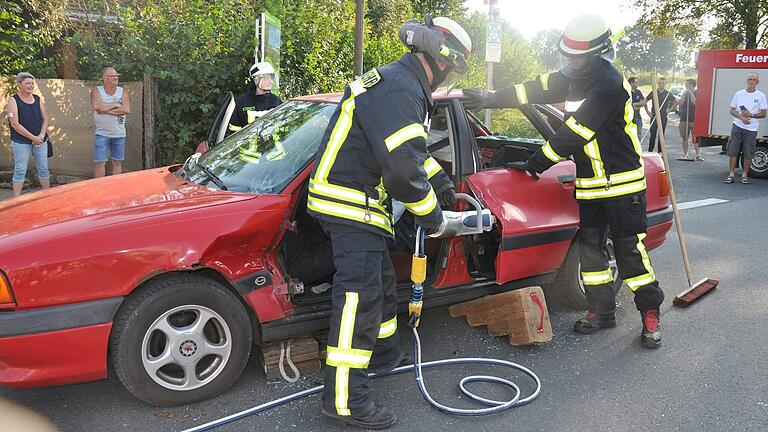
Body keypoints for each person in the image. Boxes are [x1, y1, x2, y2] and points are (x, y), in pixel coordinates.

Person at [307, 15, 471, 429]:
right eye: (450, 69)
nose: (444, 78)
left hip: (355, 203)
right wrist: (434, 217)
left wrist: (444, 186)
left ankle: (383, 356)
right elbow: (401, 171)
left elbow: (410, 153)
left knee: (378, 287)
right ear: (441, 58)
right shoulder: (402, 90)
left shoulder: (398, 81)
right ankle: (345, 400)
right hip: (349, 204)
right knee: (358, 302)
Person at [465, 13, 665, 349]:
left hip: (623, 186)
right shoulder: (575, 76)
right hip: (589, 185)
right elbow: (534, 89)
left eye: (577, 56)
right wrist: (491, 98)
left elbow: (575, 133)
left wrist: (535, 164)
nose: (570, 62)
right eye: (568, 55)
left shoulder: (609, 86)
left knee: (630, 255)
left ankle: (650, 313)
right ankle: (601, 312)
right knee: (591, 254)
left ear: (597, 53)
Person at [5, 72, 50, 197]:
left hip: (40, 140)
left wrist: (40, 136)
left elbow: (45, 119)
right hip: (21, 141)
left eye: (32, 83)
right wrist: (33, 138)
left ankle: (47, 195)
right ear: (19, 85)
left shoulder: (37, 99)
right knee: (20, 170)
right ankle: (17, 198)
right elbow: (15, 124)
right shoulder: (13, 100)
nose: (31, 86)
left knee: (43, 168)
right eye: (27, 83)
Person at [724, 73, 767, 184]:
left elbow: (763, 114)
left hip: (752, 129)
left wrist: (751, 115)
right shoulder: (739, 94)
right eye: (750, 79)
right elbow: (732, 110)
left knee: (748, 152)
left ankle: (744, 175)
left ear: (757, 82)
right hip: (737, 125)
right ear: (747, 81)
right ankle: (731, 174)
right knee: (733, 150)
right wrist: (741, 117)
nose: (752, 81)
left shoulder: (761, 96)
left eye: (754, 79)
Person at [91, 66, 130, 178]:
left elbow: (126, 109)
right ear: (105, 78)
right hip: (101, 133)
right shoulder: (97, 90)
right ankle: (99, 189)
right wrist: (115, 105)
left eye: (116, 75)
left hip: (119, 134)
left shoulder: (123, 91)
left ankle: (115, 188)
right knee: (100, 163)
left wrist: (104, 110)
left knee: (117, 162)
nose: (115, 78)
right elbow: (96, 106)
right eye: (112, 76)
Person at [227, 62, 282, 134]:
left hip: (273, 145)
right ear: (256, 79)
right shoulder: (242, 102)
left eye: (271, 78)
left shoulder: (276, 101)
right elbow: (234, 130)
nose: (270, 81)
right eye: (266, 78)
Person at [645, 76, 676, 152]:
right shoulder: (653, 92)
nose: (661, 84)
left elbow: (676, 102)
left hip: (663, 117)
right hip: (654, 116)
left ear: (665, 84)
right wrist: (647, 111)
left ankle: (660, 152)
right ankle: (650, 151)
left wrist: (670, 110)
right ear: (658, 83)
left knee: (661, 135)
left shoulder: (667, 94)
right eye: (660, 83)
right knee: (653, 134)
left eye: (663, 83)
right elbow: (645, 101)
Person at [676, 78, 699, 160]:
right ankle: (685, 154)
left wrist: (690, 93)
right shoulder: (684, 93)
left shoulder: (697, 92)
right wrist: (684, 95)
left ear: (691, 85)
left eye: (687, 84)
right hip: (684, 118)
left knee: (695, 137)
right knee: (684, 137)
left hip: (694, 119)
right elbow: (681, 104)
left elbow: (695, 103)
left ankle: (697, 154)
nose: (685, 86)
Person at [628, 77, 645, 141]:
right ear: (631, 83)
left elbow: (644, 102)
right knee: (630, 136)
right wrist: (633, 106)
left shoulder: (638, 92)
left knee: (639, 134)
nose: (637, 84)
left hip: (638, 117)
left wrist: (635, 104)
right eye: (636, 82)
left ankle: (638, 149)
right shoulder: (627, 92)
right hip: (630, 119)